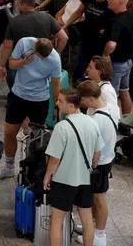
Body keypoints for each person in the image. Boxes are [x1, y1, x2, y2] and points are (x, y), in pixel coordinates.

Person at [0, 37, 62, 180]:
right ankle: (9, 167)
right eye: (40, 56)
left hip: (39, 99)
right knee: (10, 132)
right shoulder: (24, 43)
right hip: (18, 95)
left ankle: (32, 171)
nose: (41, 60)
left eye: (44, 58)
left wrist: (56, 105)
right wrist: (23, 62)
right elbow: (11, 64)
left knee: (36, 138)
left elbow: (55, 83)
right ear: (35, 48)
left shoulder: (55, 59)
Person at [43, 89, 103, 246]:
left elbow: (54, 159)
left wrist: (47, 176)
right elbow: (98, 153)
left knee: (56, 220)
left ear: (71, 105)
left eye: (60, 101)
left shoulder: (62, 127)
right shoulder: (92, 122)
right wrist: (91, 167)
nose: (56, 104)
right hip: (85, 179)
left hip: (64, 179)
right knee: (87, 218)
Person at [78, 80, 117, 246]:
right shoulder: (111, 108)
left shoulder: (96, 120)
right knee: (96, 197)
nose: (81, 103)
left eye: (82, 100)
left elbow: (94, 150)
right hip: (107, 159)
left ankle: (100, 236)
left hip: (99, 164)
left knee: (99, 198)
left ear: (90, 99)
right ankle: (93, 229)